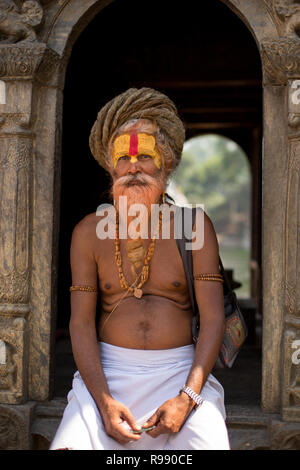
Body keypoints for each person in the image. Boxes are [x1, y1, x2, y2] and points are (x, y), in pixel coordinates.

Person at [50, 87, 230, 450]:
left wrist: (188, 397)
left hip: (182, 373)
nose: (133, 167)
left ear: (166, 163)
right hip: (107, 376)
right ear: (110, 168)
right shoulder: (88, 232)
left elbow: (213, 319)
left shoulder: (194, 226)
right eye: (123, 158)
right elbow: (81, 323)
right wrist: (103, 401)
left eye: (144, 155)